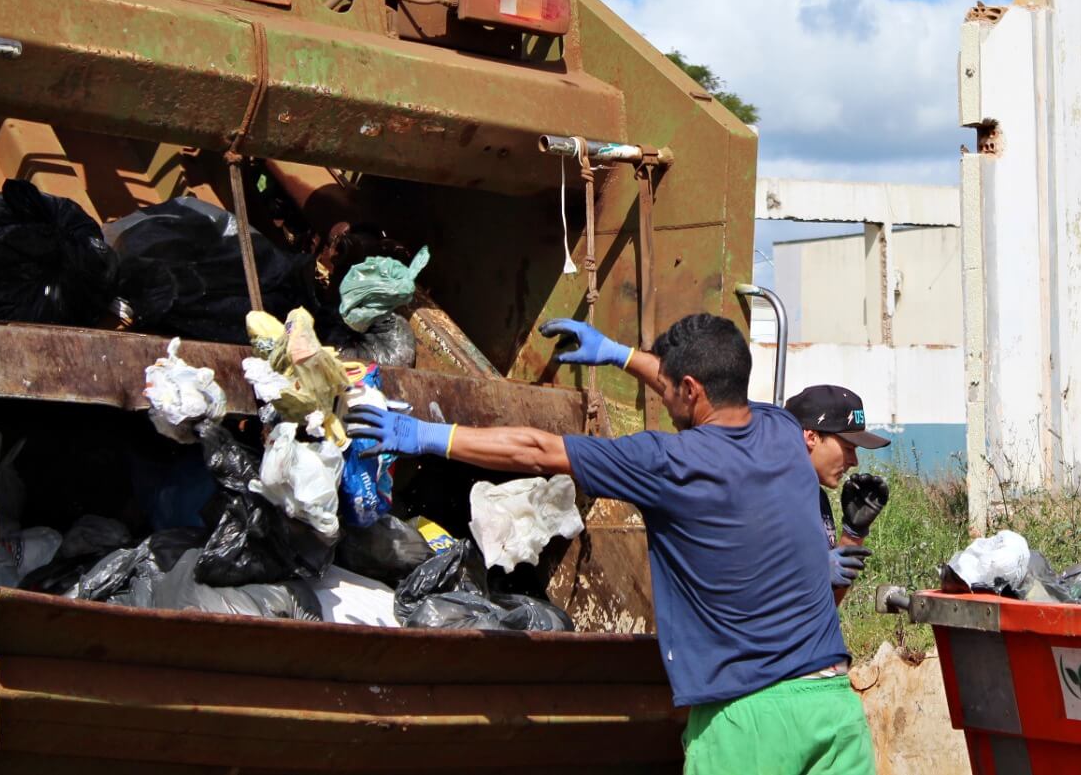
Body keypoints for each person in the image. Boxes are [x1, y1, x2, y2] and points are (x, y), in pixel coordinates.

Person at [347, 313, 877, 775]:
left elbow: (537, 451)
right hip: (832, 707)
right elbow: (703, 385)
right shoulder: (783, 430)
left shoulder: (668, 463)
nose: (664, 396)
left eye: (670, 387)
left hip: (751, 723)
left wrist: (425, 436)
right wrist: (620, 355)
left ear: (690, 390)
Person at [785, 384, 891, 603]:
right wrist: (810, 576)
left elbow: (828, 604)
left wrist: (853, 534)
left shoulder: (816, 498)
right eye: (848, 448)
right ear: (811, 436)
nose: (854, 461)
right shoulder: (767, 497)